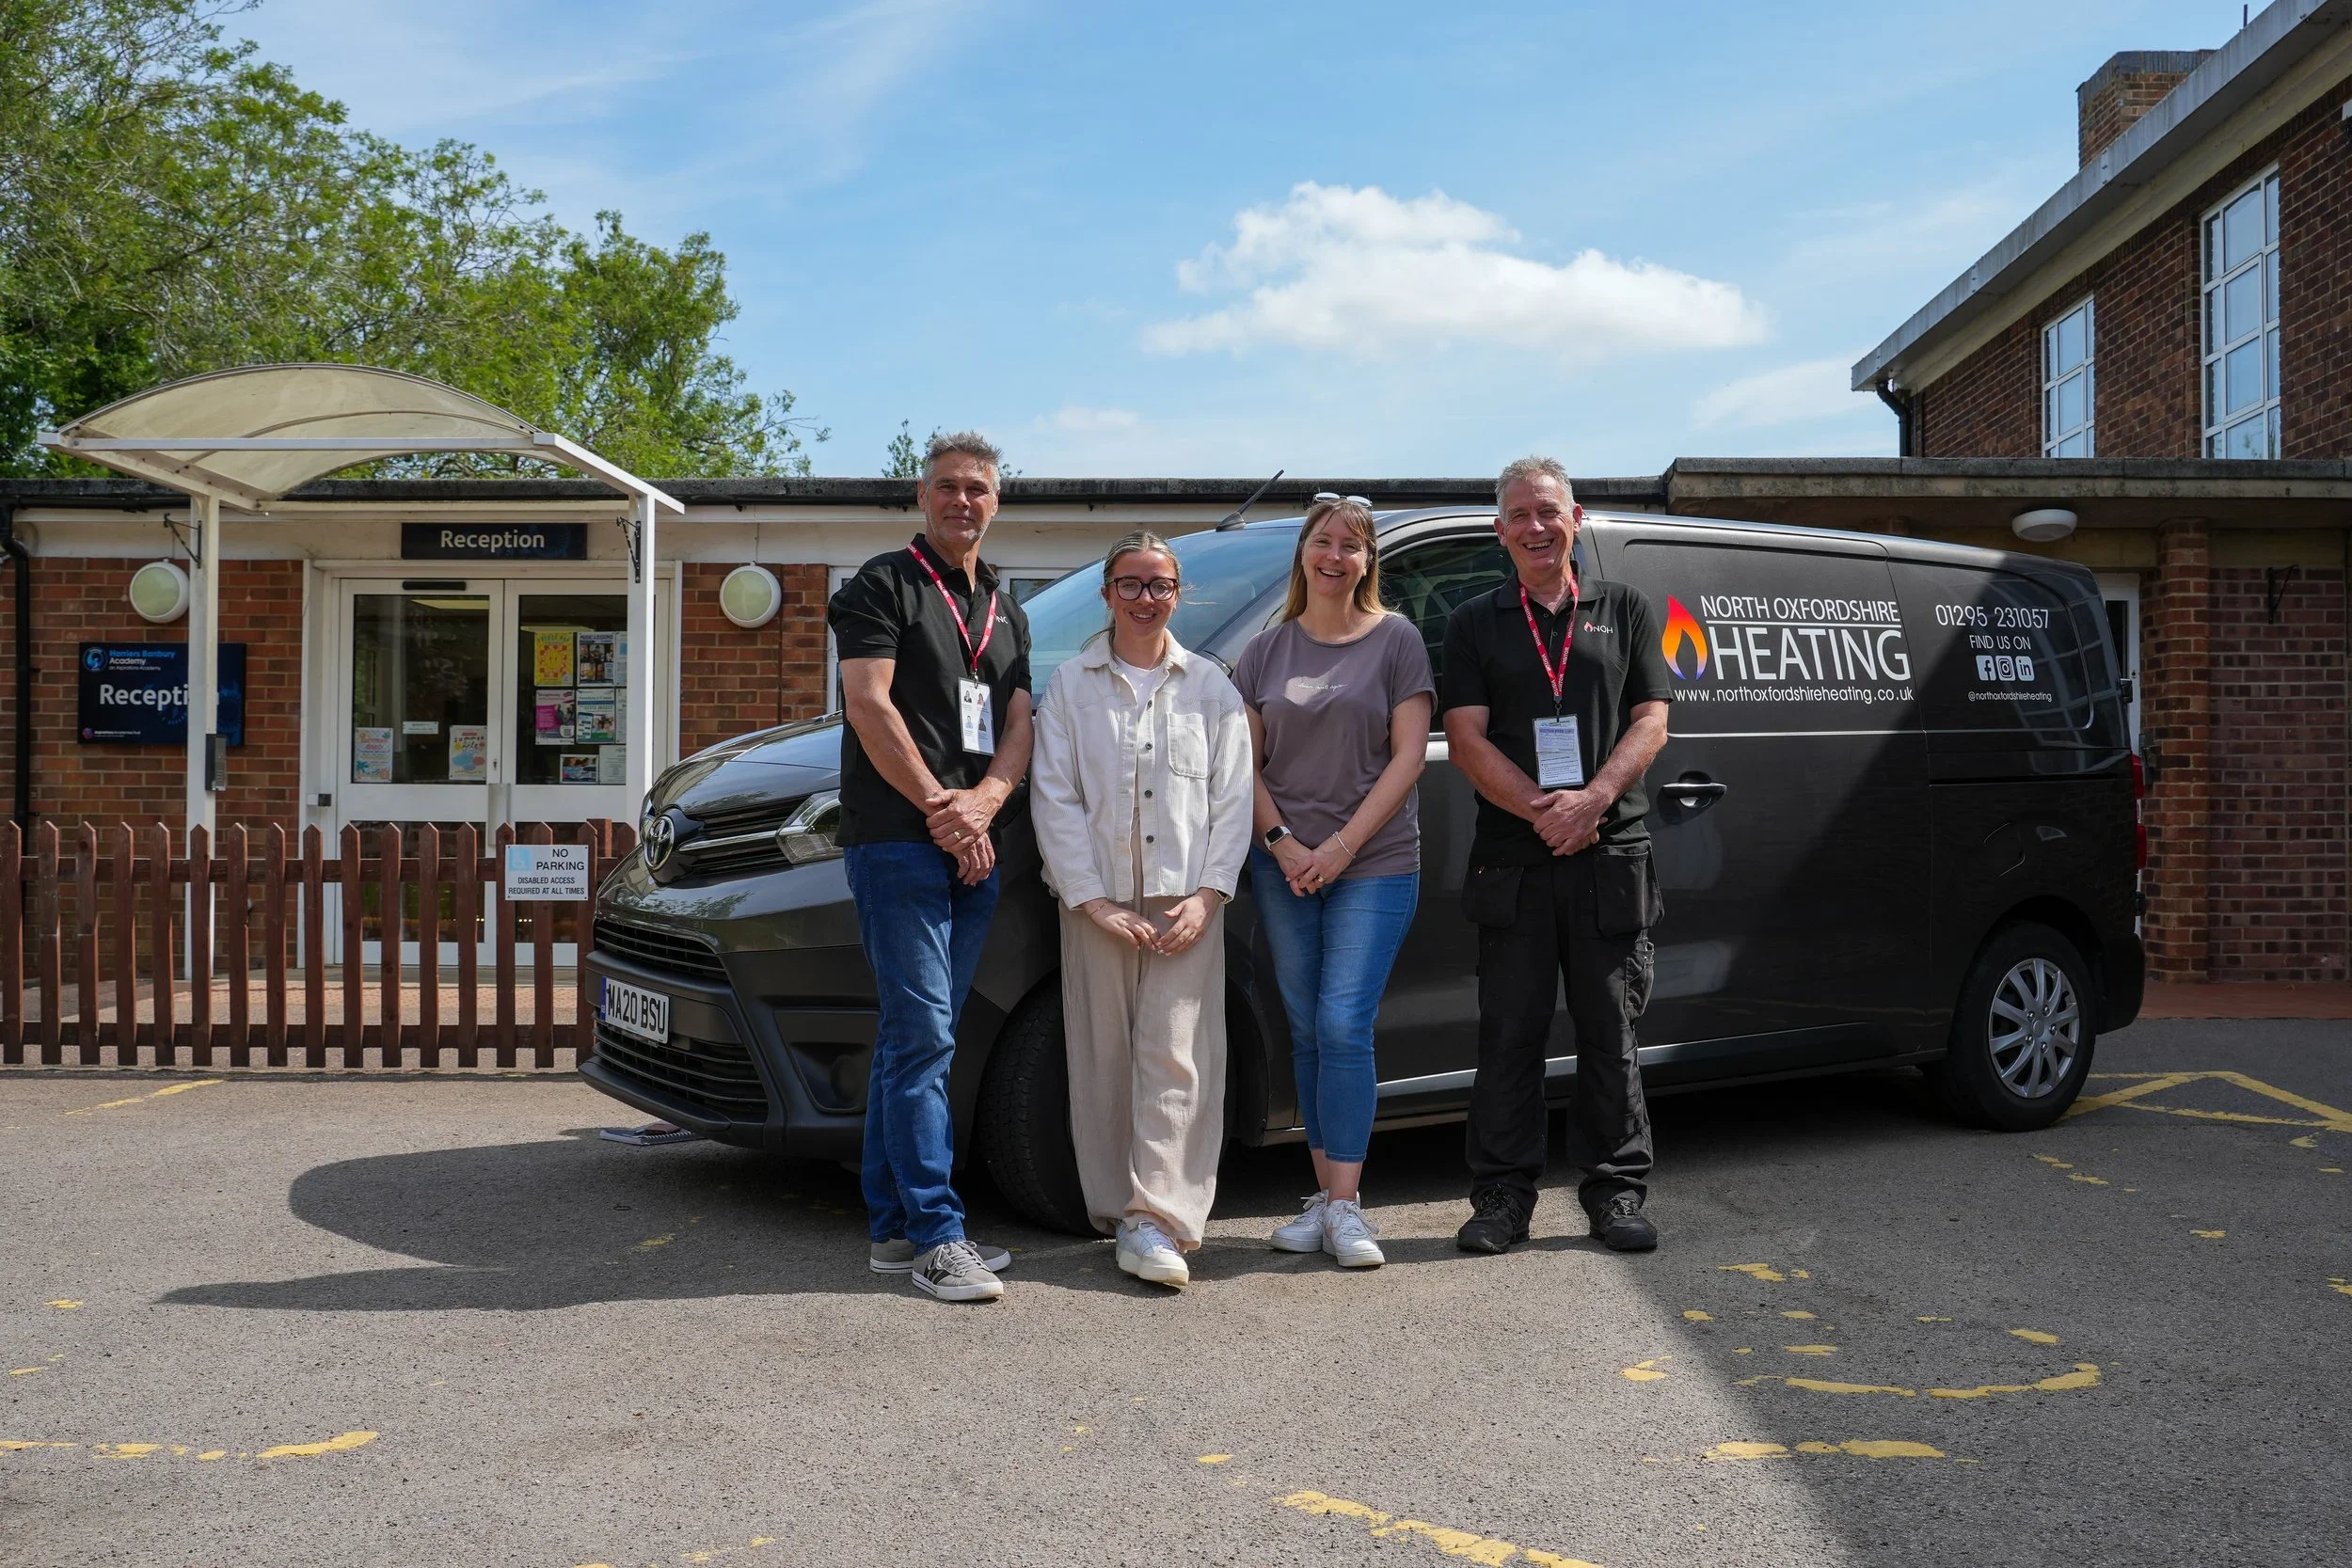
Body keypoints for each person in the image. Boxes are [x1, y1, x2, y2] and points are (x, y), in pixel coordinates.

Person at [1438, 456, 1672, 1255]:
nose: (1536, 527)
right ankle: (1503, 1197)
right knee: (1509, 1032)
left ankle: (1615, 1191)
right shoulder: (1474, 621)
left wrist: (1594, 799)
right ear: (1499, 531)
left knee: (1611, 1029)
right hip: (1515, 858)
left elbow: (1652, 721)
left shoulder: (1628, 608)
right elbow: (1466, 739)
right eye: (1519, 516)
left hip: (1610, 855)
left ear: (1576, 518)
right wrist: (1546, 812)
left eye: (1549, 511)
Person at [828, 432, 1033, 1303]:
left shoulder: (1006, 605)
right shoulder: (882, 584)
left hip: (974, 841)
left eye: (978, 489)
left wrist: (985, 800)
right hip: (898, 841)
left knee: (916, 1039)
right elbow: (869, 704)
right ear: (922, 496)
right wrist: (943, 811)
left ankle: (891, 1228)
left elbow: (1020, 719)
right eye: (947, 486)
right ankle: (940, 1236)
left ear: (997, 501)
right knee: (926, 1040)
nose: (963, 501)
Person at [1030, 531, 1252, 1290]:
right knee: (1102, 1056)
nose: (1146, 598)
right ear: (1107, 593)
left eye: (1160, 585)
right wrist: (1089, 898)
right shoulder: (1070, 686)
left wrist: (1209, 893)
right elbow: (1053, 796)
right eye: (1131, 584)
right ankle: (1120, 1209)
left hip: (1185, 902)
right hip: (1096, 904)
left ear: (1178, 594)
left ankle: (1162, 1219)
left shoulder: (1210, 688)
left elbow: (1234, 798)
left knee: (1179, 1061)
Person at [1232, 494, 1432, 1269]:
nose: (1335, 554)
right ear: (1304, 555)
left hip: (1373, 862)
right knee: (1309, 1026)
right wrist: (1283, 843)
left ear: (1367, 559)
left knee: (1345, 1021)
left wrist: (1341, 847)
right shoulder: (1265, 650)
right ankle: (1323, 1199)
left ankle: (1348, 1207)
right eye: (1323, 540)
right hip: (1284, 863)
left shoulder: (1397, 641)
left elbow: (1408, 757)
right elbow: (1241, 766)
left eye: (1351, 543)